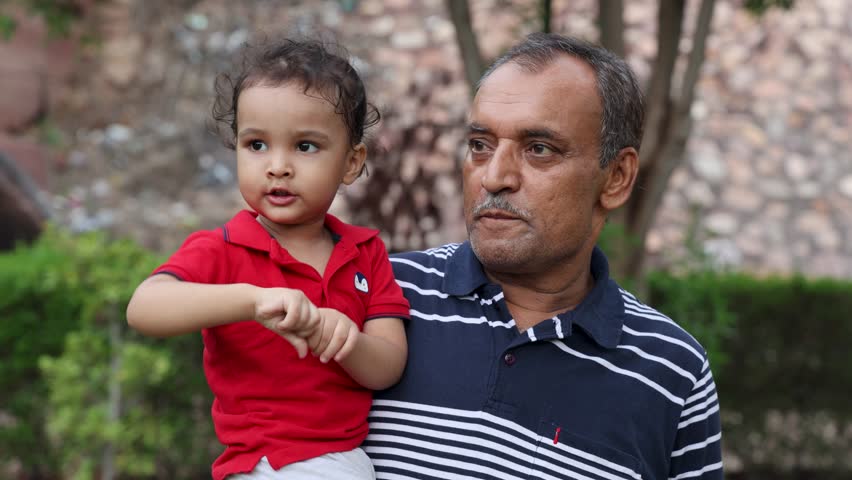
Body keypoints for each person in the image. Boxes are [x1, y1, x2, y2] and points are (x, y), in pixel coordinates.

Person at [363, 33, 723, 480]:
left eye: (539, 149)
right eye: (480, 144)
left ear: (616, 178)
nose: (494, 177)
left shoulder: (674, 373)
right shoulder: (378, 297)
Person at [126, 37, 410, 480]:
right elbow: (144, 308)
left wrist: (343, 337)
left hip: (349, 461)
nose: (277, 166)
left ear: (351, 163)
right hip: (267, 464)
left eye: (305, 146)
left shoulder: (365, 252)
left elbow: (388, 367)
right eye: (256, 145)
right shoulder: (221, 249)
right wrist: (250, 301)